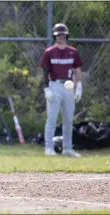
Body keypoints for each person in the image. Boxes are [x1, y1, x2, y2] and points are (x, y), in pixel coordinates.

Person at [39, 23, 83, 157]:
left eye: (63, 34)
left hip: (68, 86)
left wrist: (79, 86)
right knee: (52, 118)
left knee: (68, 119)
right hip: (54, 85)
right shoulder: (49, 52)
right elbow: (45, 72)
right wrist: (46, 89)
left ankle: (67, 148)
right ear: (54, 36)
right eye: (58, 35)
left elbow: (77, 70)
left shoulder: (73, 52)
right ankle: (49, 148)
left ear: (67, 35)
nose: (61, 37)